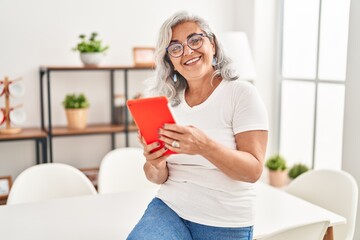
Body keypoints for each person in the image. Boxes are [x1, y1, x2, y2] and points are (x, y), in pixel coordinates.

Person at [127, 11, 268, 240]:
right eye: (175, 48)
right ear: (170, 62)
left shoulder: (241, 94)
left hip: (225, 220)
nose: (188, 52)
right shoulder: (168, 105)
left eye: (195, 40)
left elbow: (253, 171)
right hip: (170, 208)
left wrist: (204, 146)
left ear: (212, 44)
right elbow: (156, 176)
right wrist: (155, 162)